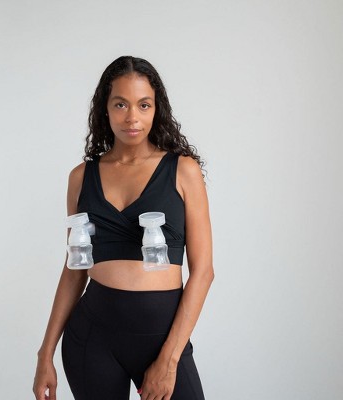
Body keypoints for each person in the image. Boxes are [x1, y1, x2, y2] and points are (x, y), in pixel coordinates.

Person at [33, 55, 214, 400]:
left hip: (162, 339)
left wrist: (169, 361)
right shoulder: (81, 178)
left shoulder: (182, 170)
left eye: (144, 105)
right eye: (120, 104)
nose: (132, 117)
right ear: (105, 109)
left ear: (156, 109)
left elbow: (203, 272)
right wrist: (45, 353)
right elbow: (74, 270)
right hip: (92, 340)